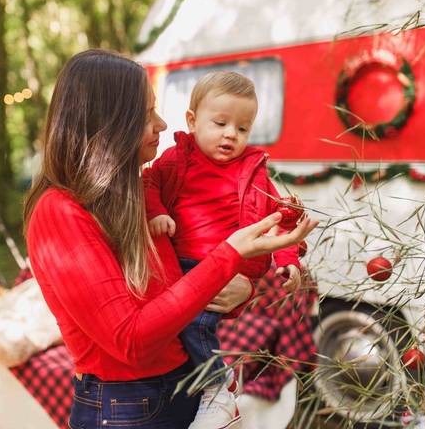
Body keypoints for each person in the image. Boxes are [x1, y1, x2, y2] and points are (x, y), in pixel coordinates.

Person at [23, 50, 318, 429]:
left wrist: (242, 289)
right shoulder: (59, 211)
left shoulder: (135, 197)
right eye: (147, 114)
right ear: (112, 123)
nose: (162, 124)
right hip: (127, 405)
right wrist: (228, 257)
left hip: (180, 387)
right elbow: (131, 339)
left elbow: (178, 295)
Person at [143, 71, 309, 428]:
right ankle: (211, 385)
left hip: (227, 268)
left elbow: (278, 218)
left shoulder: (252, 171)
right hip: (182, 262)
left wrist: (288, 261)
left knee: (195, 324)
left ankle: (217, 387)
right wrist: (156, 211)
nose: (231, 134)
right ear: (192, 120)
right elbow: (149, 182)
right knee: (178, 328)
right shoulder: (177, 159)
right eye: (220, 123)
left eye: (243, 128)